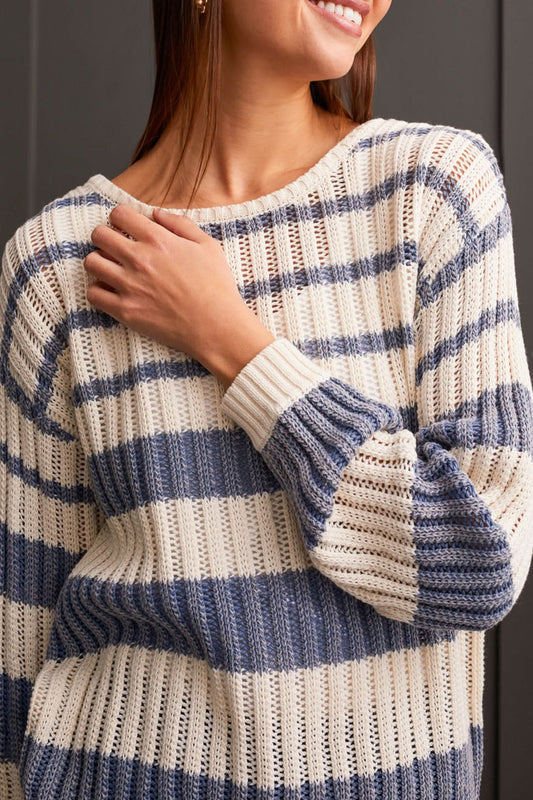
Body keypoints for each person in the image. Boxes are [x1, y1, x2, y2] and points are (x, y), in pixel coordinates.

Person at [1, 0, 532, 798]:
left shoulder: (433, 190)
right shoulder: (58, 263)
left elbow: (476, 559)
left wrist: (234, 342)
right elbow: (20, 623)